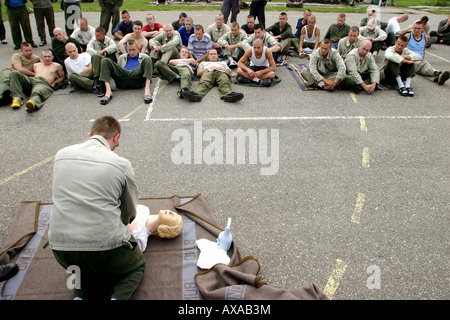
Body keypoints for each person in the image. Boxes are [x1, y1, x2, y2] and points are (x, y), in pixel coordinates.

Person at [49, 115, 145, 300]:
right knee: (135, 267)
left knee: (82, 272)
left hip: (61, 249)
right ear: (116, 137)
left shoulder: (61, 155)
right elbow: (130, 213)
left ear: (89, 135)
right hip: (106, 249)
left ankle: (79, 296)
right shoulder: (121, 164)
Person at [98, 40, 154, 105]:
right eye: (129, 50)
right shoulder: (122, 57)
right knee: (105, 61)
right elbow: (119, 70)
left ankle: (147, 90)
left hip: (137, 76)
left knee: (148, 59)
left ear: (138, 49)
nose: (131, 52)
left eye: (133, 50)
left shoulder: (144, 57)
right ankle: (108, 91)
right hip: (124, 77)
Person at [405, 21, 449, 86]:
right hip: (411, 59)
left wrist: (422, 58)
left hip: (420, 59)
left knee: (424, 66)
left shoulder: (425, 37)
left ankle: (438, 76)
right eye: (415, 28)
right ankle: (437, 73)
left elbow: (423, 49)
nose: (416, 30)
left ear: (423, 29)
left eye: (419, 28)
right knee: (423, 65)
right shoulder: (408, 36)